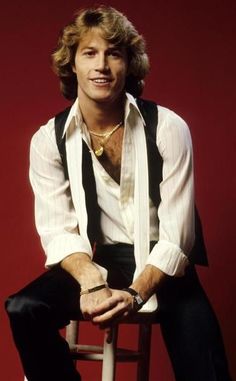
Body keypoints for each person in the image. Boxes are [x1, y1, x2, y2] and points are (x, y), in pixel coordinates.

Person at [5, 5, 231, 381]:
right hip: (101, 260)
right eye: (89, 53)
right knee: (24, 308)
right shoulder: (48, 140)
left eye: (114, 53)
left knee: (207, 371)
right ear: (72, 64)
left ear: (129, 63)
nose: (102, 66)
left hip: (166, 266)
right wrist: (92, 280)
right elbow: (59, 230)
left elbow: (179, 237)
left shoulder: (168, 127)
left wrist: (136, 293)